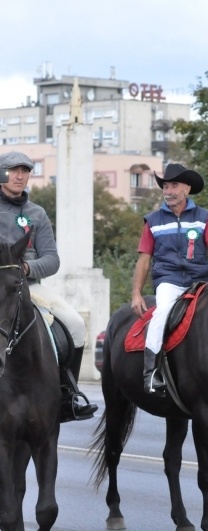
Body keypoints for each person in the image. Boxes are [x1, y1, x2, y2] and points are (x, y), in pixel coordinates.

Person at [0, 151, 98, 422]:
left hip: (30, 286)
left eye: (25, 170)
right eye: (13, 170)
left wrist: (30, 268)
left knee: (76, 325)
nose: (20, 176)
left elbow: (52, 259)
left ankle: (68, 395)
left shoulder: (37, 213)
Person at [131, 163, 208, 394]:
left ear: (187, 189)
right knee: (162, 312)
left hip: (202, 279)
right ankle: (152, 372)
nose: (168, 191)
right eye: (165, 186)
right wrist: (136, 293)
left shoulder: (204, 217)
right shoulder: (153, 220)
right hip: (169, 279)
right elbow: (144, 260)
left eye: (174, 185)